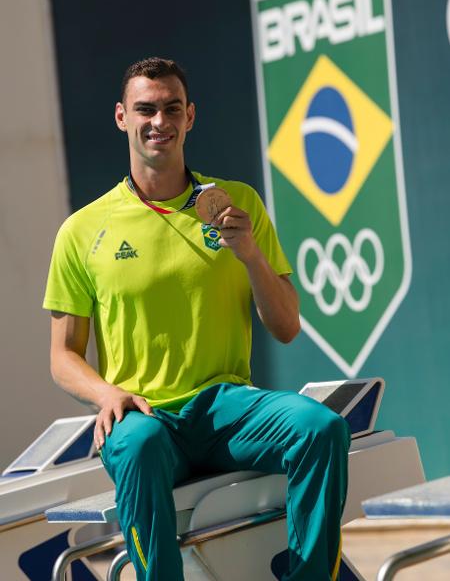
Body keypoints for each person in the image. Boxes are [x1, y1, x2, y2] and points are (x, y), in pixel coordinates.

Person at [44, 57, 350, 581]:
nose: (158, 121)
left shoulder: (238, 205)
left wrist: (251, 254)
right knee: (137, 444)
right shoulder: (81, 230)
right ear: (122, 117)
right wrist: (106, 394)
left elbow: (286, 326)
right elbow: (63, 355)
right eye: (145, 109)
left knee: (320, 427)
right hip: (146, 419)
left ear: (190, 117)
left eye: (171, 108)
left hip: (226, 408)